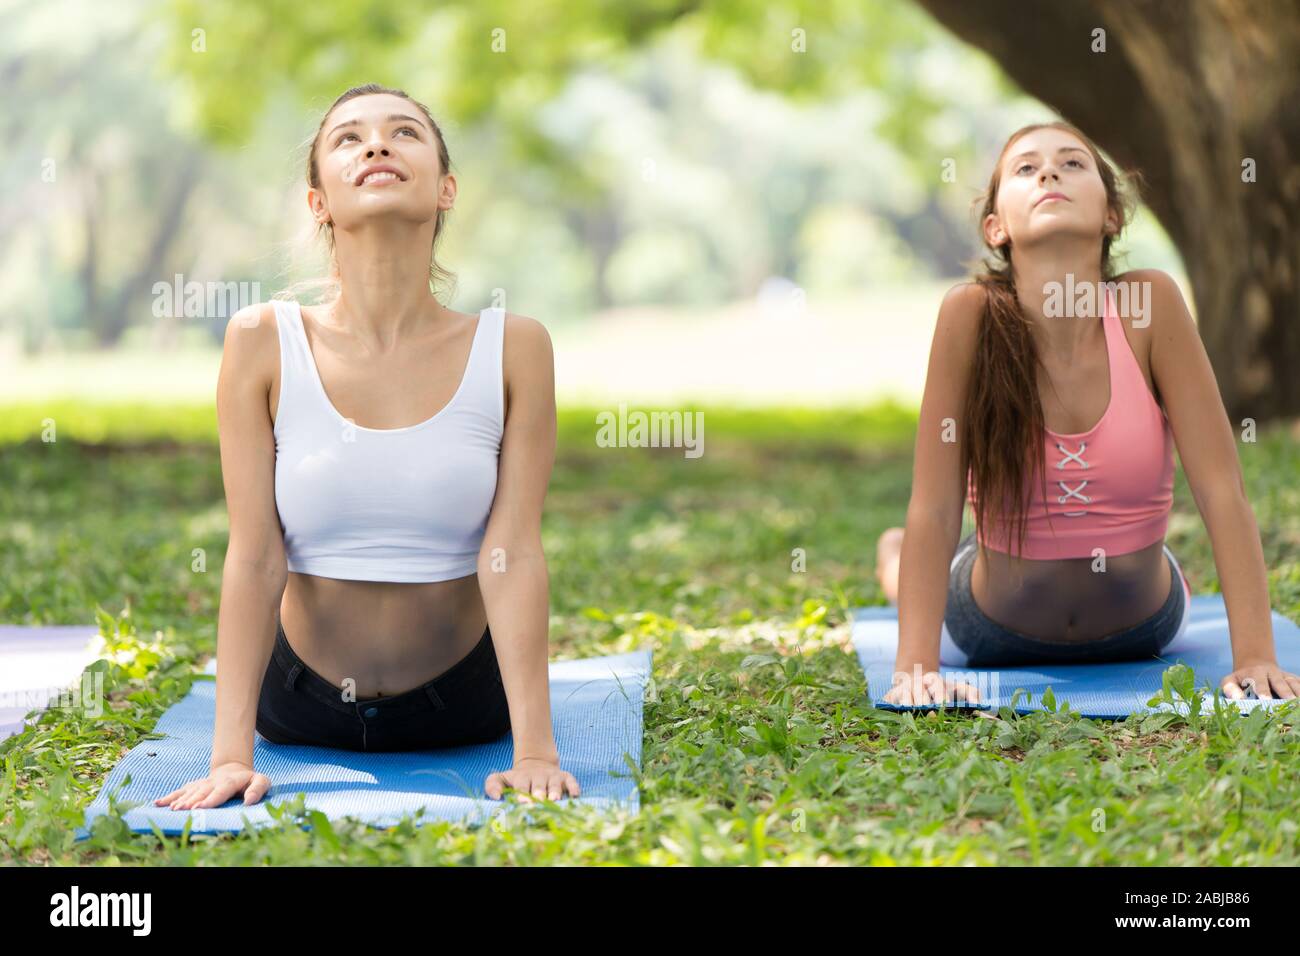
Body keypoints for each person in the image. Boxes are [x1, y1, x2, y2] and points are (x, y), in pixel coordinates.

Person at [156, 83, 578, 810]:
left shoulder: (515, 347)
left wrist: (534, 749)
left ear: (446, 189)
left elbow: (514, 551)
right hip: (296, 708)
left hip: (466, 706)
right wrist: (230, 755)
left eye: (404, 132)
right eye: (348, 138)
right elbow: (255, 553)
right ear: (318, 200)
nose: (377, 145)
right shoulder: (262, 341)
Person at [876, 121, 1300, 705]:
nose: (1049, 171)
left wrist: (1256, 655)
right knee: (917, 572)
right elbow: (935, 503)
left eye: (1073, 163)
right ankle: (893, 557)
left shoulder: (1149, 306)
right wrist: (916, 665)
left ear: (1112, 216)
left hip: (1143, 629)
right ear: (996, 226)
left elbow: (1223, 490)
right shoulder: (969, 314)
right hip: (992, 629)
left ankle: (1168, 565)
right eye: (1026, 168)